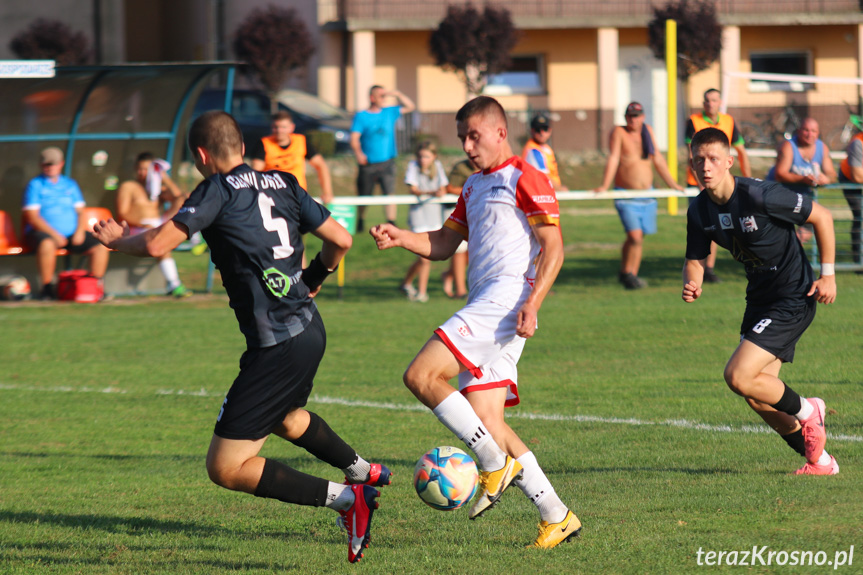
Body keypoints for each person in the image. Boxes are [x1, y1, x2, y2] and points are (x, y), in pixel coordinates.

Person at [92, 111, 390, 564]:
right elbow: (341, 239)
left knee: (226, 467)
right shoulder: (284, 183)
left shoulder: (215, 189)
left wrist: (118, 241)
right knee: (285, 417)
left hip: (277, 346)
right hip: (310, 327)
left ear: (201, 155)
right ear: (243, 147)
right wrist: (314, 276)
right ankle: (363, 471)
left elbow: (156, 246)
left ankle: (350, 502)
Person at [370, 96, 581, 548]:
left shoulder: (527, 176)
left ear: (500, 132)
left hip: (505, 302)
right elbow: (446, 243)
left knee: (421, 375)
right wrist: (401, 236)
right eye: (462, 137)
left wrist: (533, 302)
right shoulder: (473, 186)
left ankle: (490, 462)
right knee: (490, 420)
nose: (467, 145)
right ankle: (556, 514)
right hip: (492, 302)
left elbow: (555, 246)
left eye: (474, 136)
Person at [682, 127, 838, 476]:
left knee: (738, 375)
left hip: (794, 295)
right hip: (759, 299)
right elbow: (695, 258)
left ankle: (810, 410)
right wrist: (692, 282)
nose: (705, 167)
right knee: (755, 394)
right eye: (697, 161)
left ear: (729, 161)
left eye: (712, 159)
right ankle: (820, 462)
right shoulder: (699, 211)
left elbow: (822, 217)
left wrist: (828, 275)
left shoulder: (760, 196)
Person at [594, 101, 684, 289]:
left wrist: (673, 184)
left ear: (642, 116)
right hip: (627, 195)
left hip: (648, 195)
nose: (633, 120)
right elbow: (614, 158)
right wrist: (604, 185)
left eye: (636, 116)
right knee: (634, 236)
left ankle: (629, 274)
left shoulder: (647, 131)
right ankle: (628, 273)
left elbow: (657, 158)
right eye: (629, 116)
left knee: (639, 237)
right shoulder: (619, 132)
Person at [22, 146, 110, 300]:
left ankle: (94, 287)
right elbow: (32, 217)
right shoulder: (35, 185)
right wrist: (54, 235)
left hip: (71, 233)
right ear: (41, 166)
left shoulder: (70, 184)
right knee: (47, 244)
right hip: (44, 234)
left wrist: (78, 231)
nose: (50, 167)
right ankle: (47, 288)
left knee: (100, 246)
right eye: (47, 164)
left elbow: (80, 211)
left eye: (53, 164)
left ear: (61, 164)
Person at [685, 88, 752, 283]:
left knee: (730, 225)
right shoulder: (694, 121)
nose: (710, 104)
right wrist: (702, 184)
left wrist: (748, 180)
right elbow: (691, 156)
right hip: (700, 184)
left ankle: (711, 269)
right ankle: (700, 270)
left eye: (714, 100)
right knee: (705, 227)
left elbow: (741, 151)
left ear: (720, 102)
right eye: (707, 101)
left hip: (725, 184)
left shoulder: (728, 121)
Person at [115, 152, 192, 297]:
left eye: (146, 169)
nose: (142, 173)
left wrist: (165, 178)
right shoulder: (129, 186)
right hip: (139, 227)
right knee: (160, 240)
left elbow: (179, 199)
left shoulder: (156, 189)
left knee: (186, 198)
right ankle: (174, 283)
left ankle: (194, 236)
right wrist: (144, 225)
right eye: (139, 169)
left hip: (158, 224)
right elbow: (123, 213)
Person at [350, 85, 416, 231]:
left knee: (389, 193)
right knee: (364, 195)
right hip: (368, 163)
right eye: (380, 96)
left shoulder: (390, 112)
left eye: (384, 96)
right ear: (372, 98)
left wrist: (397, 93)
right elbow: (354, 138)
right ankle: (360, 221)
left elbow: (410, 106)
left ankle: (391, 221)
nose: (384, 98)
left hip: (387, 161)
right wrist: (359, 154)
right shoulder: (361, 116)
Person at [766, 118, 836, 243]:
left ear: (818, 133)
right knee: (781, 235)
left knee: (806, 231)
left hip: (804, 197)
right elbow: (780, 174)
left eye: (813, 131)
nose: (810, 134)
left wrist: (826, 179)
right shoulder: (788, 146)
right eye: (806, 130)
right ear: (799, 131)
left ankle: (791, 257)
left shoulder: (822, 148)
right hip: (779, 195)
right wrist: (803, 179)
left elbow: (832, 174)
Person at [251, 110, 335, 204]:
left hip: (298, 196)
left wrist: (327, 193)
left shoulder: (301, 141)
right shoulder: (264, 143)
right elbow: (256, 173)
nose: (279, 131)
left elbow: (321, 165)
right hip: (273, 197)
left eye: (283, 127)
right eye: (276, 127)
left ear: (292, 127)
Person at [400, 141, 448, 302]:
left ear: (434, 156)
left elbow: (443, 187)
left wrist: (440, 191)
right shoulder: (413, 166)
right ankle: (422, 293)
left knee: (424, 258)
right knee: (424, 258)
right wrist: (431, 192)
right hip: (418, 217)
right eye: (420, 156)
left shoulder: (438, 167)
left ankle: (406, 283)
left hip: (434, 216)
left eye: (427, 156)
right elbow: (413, 189)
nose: (423, 159)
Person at [439, 158, 476, 299]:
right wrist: (472, 190)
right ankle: (461, 290)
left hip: (474, 212)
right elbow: (450, 187)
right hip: (456, 211)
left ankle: (449, 274)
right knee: (459, 250)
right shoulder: (460, 167)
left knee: (471, 251)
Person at [521, 114, 568, 191]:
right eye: (538, 129)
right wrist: (560, 189)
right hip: (542, 194)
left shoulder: (546, 148)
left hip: (549, 192)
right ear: (532, 131)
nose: (542, 133)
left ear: (550, 130)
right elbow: (544, 176)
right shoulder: (533, 150)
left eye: (545, 129)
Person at [838, 126, 863, 264]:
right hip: (850, 178)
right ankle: (859, 260)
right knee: (861, 214)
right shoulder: (858, 142)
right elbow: (857, 176)